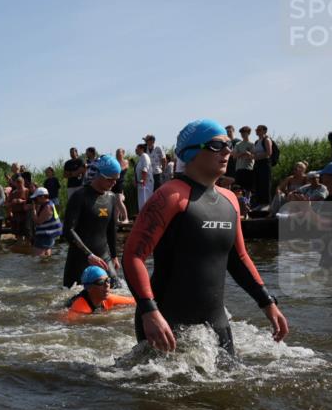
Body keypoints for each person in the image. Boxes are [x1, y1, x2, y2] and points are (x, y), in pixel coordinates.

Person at [123, 119, 288, 355]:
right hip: (165, 321)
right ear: (191, 152)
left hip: (216, 321)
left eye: (229, 145)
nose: (227, 151)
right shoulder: (169, 196)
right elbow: (133, 256)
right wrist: (149, 311)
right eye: (216, 146)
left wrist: (267, 302)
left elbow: (238, 257)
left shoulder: (230, 200)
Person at [62, 154, 121, 288]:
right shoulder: (80, 196)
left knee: (118, 292)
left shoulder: (111, 198)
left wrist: (114, 256)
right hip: (80, 259)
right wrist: (89, 255)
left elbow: (111, 229)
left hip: (104, 256)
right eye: (111, 179)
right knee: (73, 302)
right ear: (99, 175)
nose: (114, 183)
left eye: (116, 179)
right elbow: (68, 230)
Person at [65, 265, 135, 316]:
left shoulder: (108, 298)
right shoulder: (80, 308)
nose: (107, 285)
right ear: (89, 288)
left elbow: (135, 301)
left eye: (108, 280)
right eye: (100, 282)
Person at [30, 187, 61, 257]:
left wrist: (33, 209)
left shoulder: (47, 207)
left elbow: (37, 222)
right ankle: (47, 267)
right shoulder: (45, 205)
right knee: (46, 257)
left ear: (42, 197)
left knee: (37, 257)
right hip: (49, 234)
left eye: (36, 198)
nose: (35, 200)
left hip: (46, 235)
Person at [252, 125, 274, 210]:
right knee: (258, 184)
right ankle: (259, 203)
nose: (257, 131)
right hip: (257, 164)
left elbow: (269, 153)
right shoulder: (257, 141)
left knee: (265, 183)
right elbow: (254, 153)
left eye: (259, 129)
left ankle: (266, 204)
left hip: (264, 164)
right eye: (256, 129)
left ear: (264, 131)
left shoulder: (267, 140)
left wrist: (256, 157)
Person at [135, 142, 153, 211]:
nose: (136, 150)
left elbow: (145, 168)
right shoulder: (140, 157)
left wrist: (143, 179)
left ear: (142, 149)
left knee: (145, 201)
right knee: (141, 201)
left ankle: (146, 218)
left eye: (137, 148)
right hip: (141, 183)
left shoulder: (144, 156)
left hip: (146, 182)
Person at [113, 148, 130, 223]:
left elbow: (120, 170)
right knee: (116, 202)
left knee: (119, 201)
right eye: (116, 153)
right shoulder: (114, 162)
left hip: (120, 183)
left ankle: (126, 218)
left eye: (119, 153)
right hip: (113, 182)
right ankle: (116, 219)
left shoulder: (125, 161)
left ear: (123, 153)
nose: (117, 154)